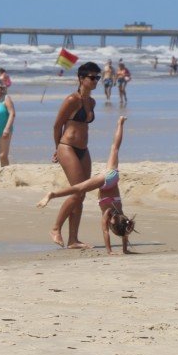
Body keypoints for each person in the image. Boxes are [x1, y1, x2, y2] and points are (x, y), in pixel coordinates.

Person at [38, 116, 136, 255]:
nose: (110, 229)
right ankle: (53, 194)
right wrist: (109, 251)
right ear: (113, 223)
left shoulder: (123, 219)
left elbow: (124, 233)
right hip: (106, 181)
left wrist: (124, 249)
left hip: (113, 178)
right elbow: (105, 233)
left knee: (115, 148)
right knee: (79, 188)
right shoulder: (108, 215)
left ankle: (120, 122)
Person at [49, 61, 101, 249]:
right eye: (92, 77)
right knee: (77, 191)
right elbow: (57, 125)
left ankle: (73, 240)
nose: (96, 81)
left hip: (83, 150)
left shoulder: (92, 102)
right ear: (81, 78)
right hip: (67, 147)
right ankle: (55, 228)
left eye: (98, 77)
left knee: (82, 194)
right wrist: (57, 148)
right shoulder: (72, 100)